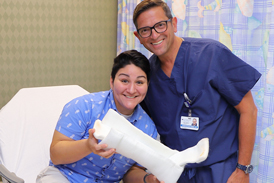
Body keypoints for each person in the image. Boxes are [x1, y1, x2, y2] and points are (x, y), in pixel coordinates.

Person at [133, 0, 261, 183]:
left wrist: (243, 170)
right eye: (145, 30)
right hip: (176, 174)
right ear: (138, 37)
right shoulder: (146, 76)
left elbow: (249, 110)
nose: (154, 35)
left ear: (174, 24)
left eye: (160, 25)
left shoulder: (211, 54)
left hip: (221, 171)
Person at [36, 50, 161, 183]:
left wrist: (149, 179)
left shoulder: (148, 129)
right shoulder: (83, 106)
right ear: (112, 82)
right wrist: (88, 146)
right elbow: (56, 155)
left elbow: (131, 171)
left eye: (140, 82)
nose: (131, 89)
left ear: (147, 85)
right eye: (124, 80)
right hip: (66, 177)